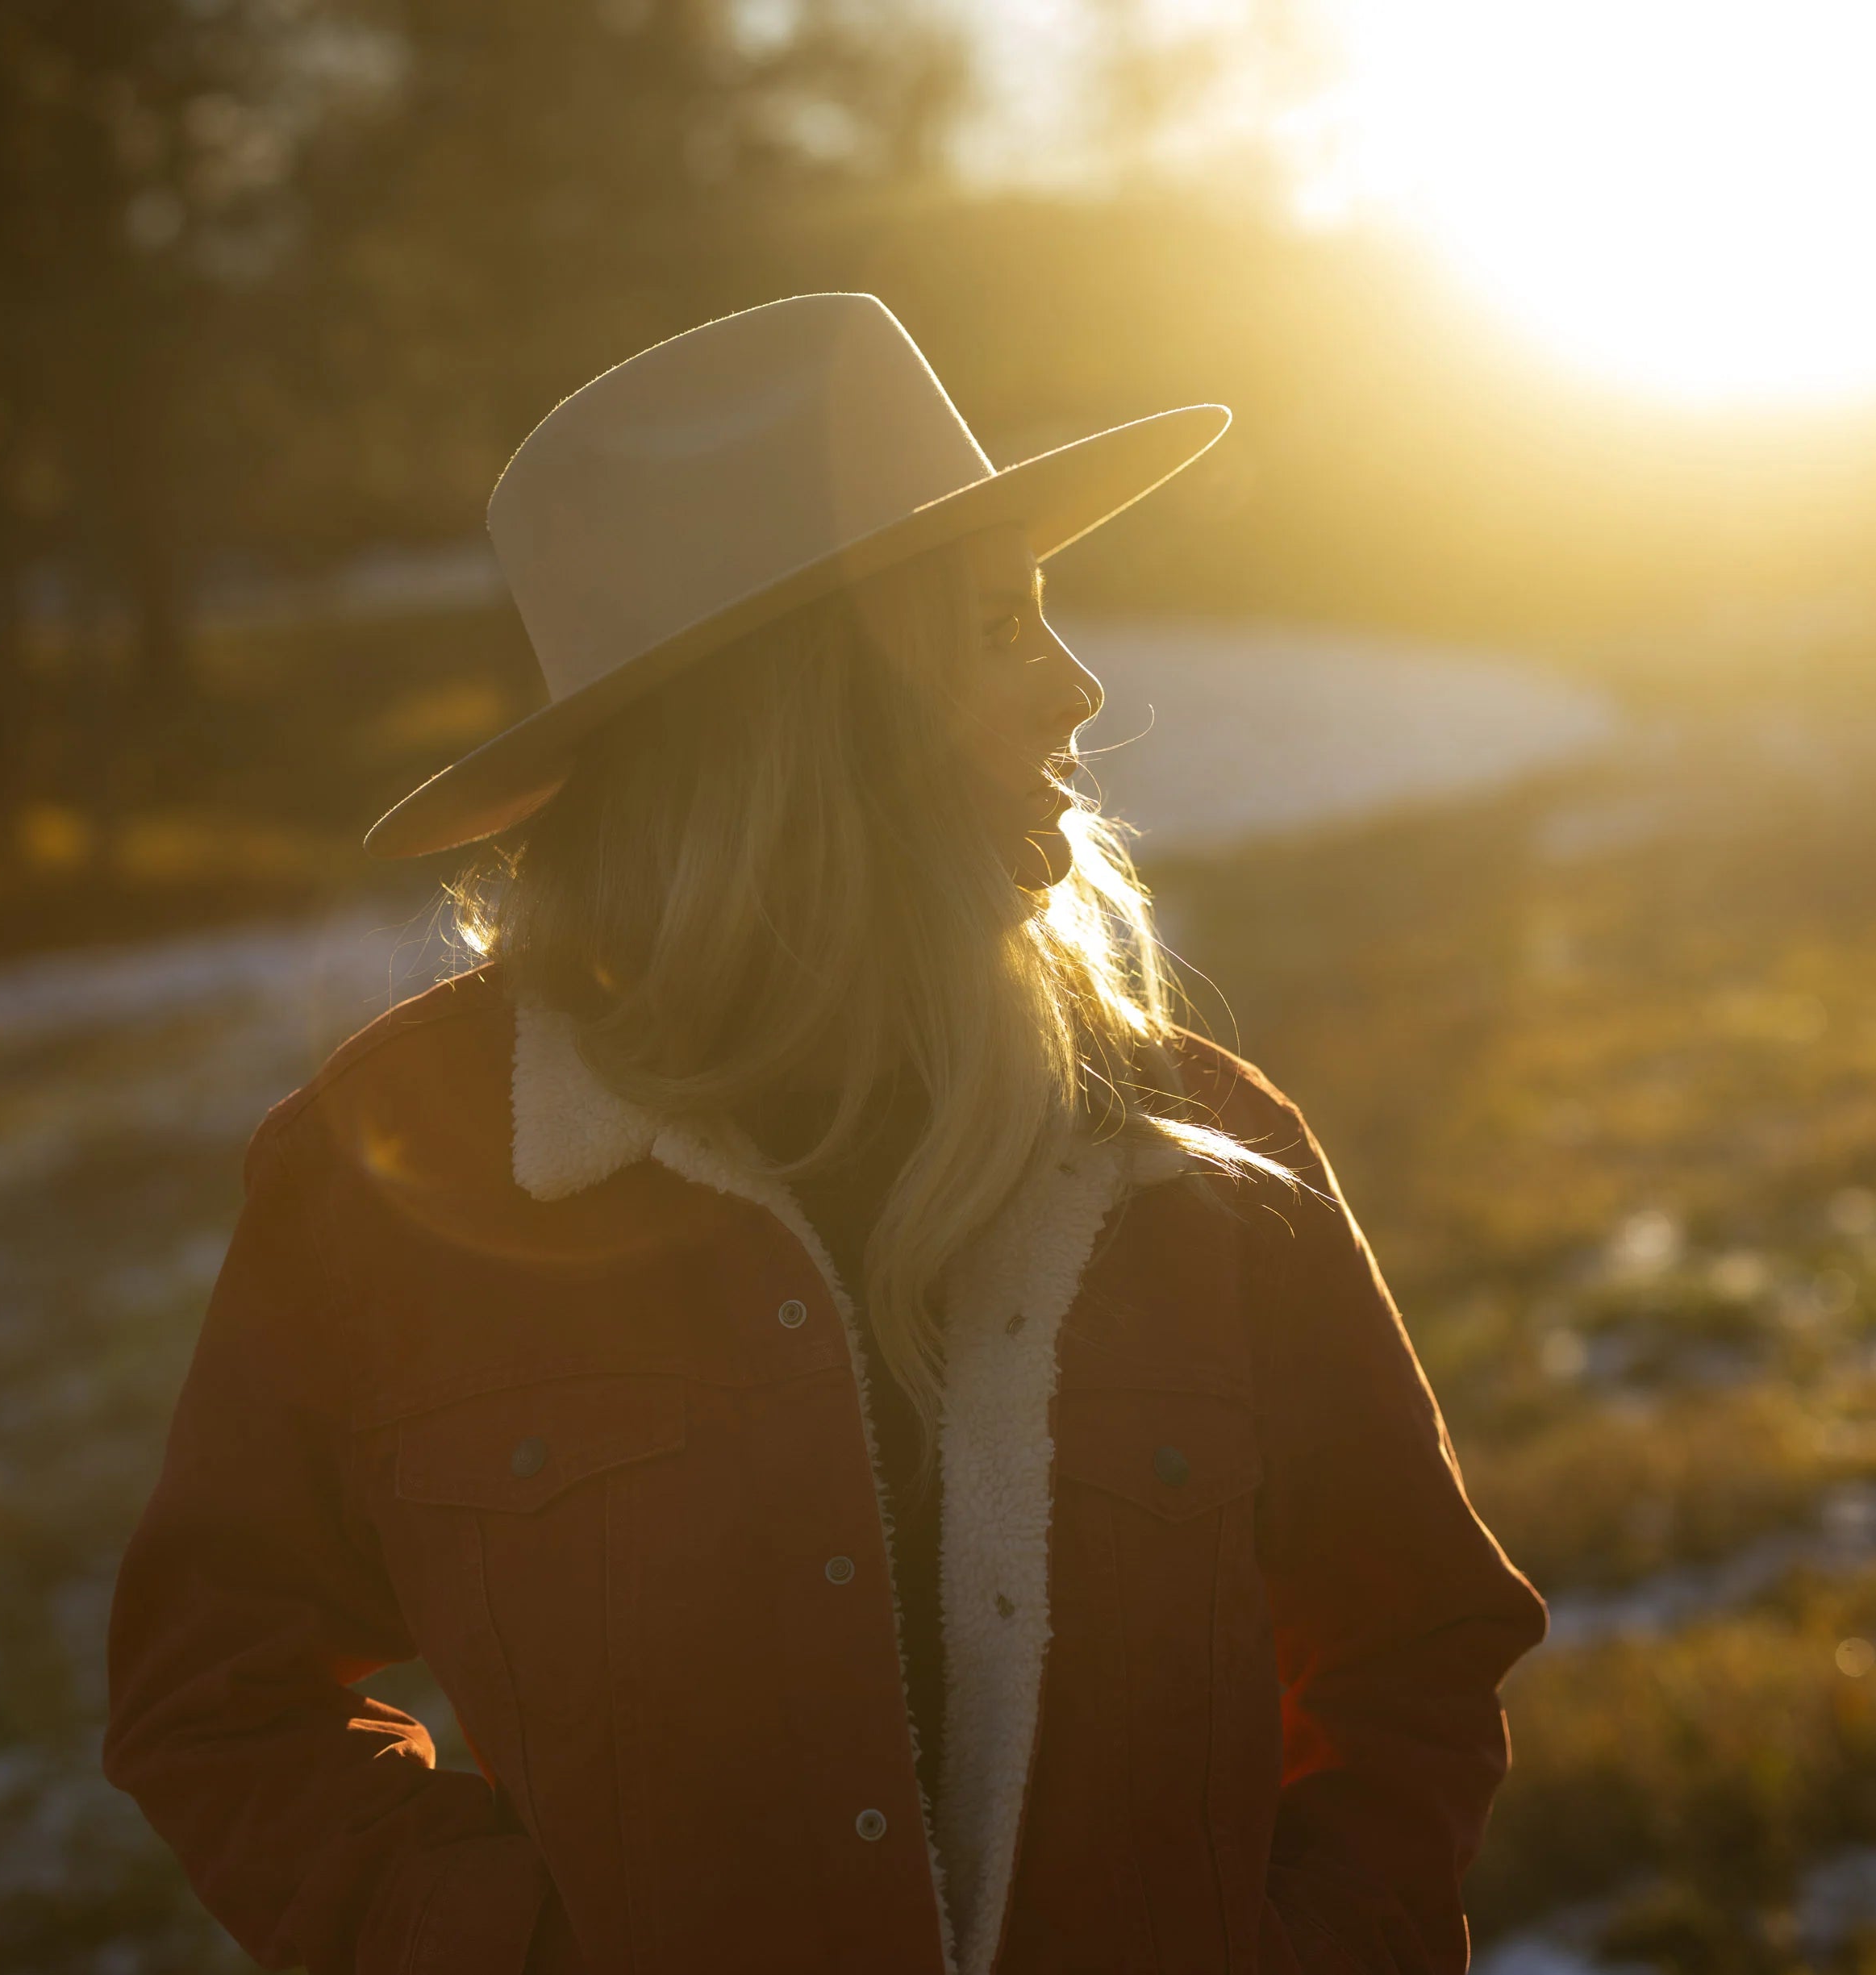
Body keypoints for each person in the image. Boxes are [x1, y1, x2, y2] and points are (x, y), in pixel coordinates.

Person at [103, 293, 1547, 1975]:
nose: (1075, 687)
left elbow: (1417, 1647)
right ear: (802, 717)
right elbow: (217, 1695)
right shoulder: (400, 1165)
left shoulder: (1194, 1152)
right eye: (996, 624)